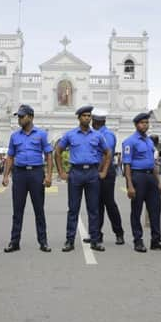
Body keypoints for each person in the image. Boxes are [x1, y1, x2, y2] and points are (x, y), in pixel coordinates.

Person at [55, 105, 110, 252]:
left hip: (92, 173)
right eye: (84, 115)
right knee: (73, 209)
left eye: (89, 115)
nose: (87, 118)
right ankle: (69, 241)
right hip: (76, 174)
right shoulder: (70, 135)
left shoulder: (97, 135)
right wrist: (61, 171)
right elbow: (58, 150)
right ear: (79, 118)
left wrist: (103, 171)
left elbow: (107, 152)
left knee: (93, 209)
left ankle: (94, 240)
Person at [2, 104, 53, 253]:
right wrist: (5, 175)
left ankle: (43, 242)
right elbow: (10, 156)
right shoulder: (14, 136)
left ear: (30, 117)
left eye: (22, 116)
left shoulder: (41, 134)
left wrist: (49, 175)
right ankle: (14, 242)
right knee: (17, 210)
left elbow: (49, 155)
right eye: (18, 116)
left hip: (36, 174)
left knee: (39, 210)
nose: (19, 119)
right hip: (19, 175)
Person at [122, 113, 161, 253]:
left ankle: (156, 240)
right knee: (136, 211)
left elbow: (153, 164)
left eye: (146, 122)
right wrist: (130, 185)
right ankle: (138, 241)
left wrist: (159, 182)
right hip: (138, 177)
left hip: (151, 178)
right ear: (136, 125)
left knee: (155, 210)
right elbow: (126, 165)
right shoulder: (129, 142)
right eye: (142, 123)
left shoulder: (150, 142)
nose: (145, 125)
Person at [84, 109, 124, 245]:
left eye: (92, 121)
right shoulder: (94, 134)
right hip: (95, 172)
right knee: (96, 204)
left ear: (95, 122)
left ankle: (119, 233)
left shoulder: (107, 135)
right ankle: (96, 234)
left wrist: (99, 171)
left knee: (109, 203)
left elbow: (106, 156)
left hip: (106, 173)